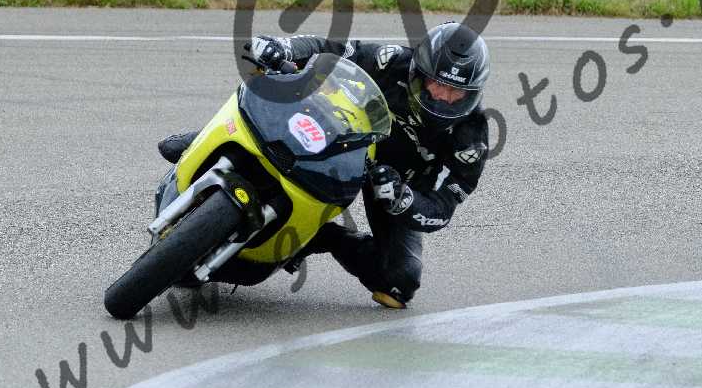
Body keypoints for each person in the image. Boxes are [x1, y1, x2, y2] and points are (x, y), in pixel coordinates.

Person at [158, 22, 491, 309]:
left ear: (473, 94)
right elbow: (334, 49)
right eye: (437, 84)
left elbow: (443, 207)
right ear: (418, 71)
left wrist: (404, 200)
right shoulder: (391, 61)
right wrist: (284, 48)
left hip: (391, 184)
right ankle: (206, 139)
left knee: (399, 281)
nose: (443, 97)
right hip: (343, 139)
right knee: (280, 83)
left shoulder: (471, 141)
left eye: (457, 93)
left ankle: (320, 236)